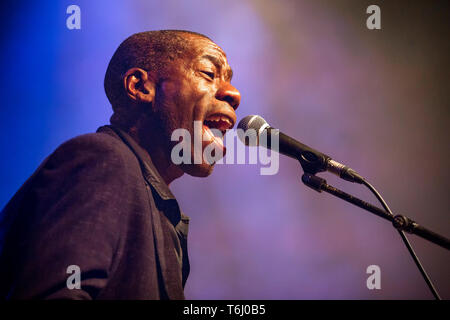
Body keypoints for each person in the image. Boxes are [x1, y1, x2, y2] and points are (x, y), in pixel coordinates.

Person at [0, 30, 241, 299]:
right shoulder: (102, 159)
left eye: (229, 79)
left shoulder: (152, 201)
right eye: (208, 73)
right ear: (139, 86)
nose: (233, 94)